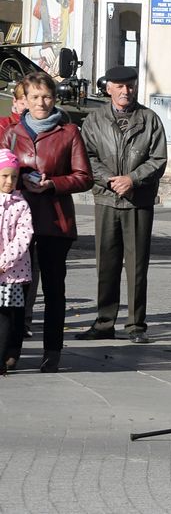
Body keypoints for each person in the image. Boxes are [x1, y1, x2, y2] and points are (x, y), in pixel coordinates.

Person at [0, 71, 93, 372]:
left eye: (47, 96)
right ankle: (11, 349)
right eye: (35, 97)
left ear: (55, 98)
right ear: (24, 100)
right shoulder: (12, 133)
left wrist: (52, 183)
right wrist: (20, 181)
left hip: (55, 221)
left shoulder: (69, 132)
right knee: (16, 290)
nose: (41, 102)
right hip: (15, 222)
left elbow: (84, 177)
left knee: (54, 289)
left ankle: (53, 349)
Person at [76, 66, 168, 345]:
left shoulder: (149, 119)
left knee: (137, 265)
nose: (125, 91)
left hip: (138, 200)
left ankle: (136, 324)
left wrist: (132, 179)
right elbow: (86, 156)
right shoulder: (94, 120)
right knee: (107, 262)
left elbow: (158, 159)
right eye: (119, 86)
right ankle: (104, 321)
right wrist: (110, 180)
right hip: (106, 198)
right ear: (108, 88)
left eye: (130, 85)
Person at [0, 149, 33, 376]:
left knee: (6, 316)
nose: (9, 181)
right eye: (4, 176)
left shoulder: (21, 205)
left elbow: (24, 236)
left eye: (13, 176)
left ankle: (4, 358)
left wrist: (3, 262)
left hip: (12, 272)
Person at [33, 0, 74, 76]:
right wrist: (42, 51)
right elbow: (28, 47)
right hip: (43, 69)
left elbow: (73, 42)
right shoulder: (40, 1)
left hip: (61, 68)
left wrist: (64, 57)